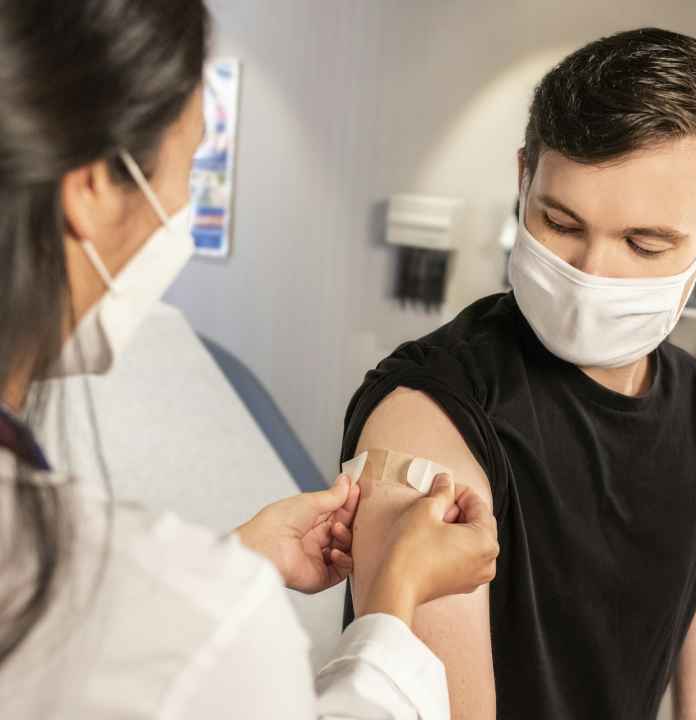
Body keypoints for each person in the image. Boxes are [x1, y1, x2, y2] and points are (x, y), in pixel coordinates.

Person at [0, 2, 500, 718]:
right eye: (194, 161)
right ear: (92, 185)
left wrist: (235, 558)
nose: (183, 202)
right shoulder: (206, 621)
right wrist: (393, 599)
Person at [341, 27, 696, 720]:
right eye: (560, 221)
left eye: (644, 243)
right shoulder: (428, 413)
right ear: (524, 179)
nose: (591, 273)